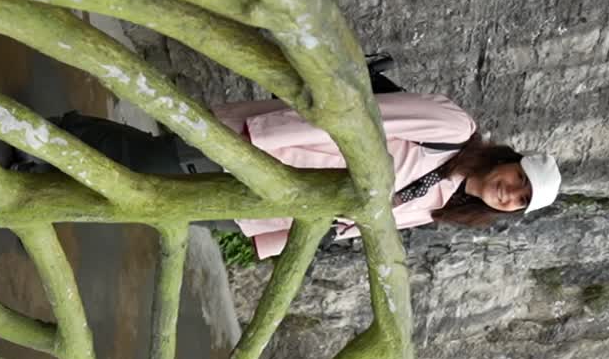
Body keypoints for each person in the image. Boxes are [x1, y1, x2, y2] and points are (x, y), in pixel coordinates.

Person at [211, 92, 562, 258]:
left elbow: (353, 224)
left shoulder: (442, 208)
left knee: (164, 206)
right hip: (254, 152)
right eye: (521, 179)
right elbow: (355, 114)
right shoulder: (451, 129)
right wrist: (256, 136)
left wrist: (275, 237)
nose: (511, 192)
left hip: (264, 208)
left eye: (521, 201)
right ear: (512, 160)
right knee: (159, 162)